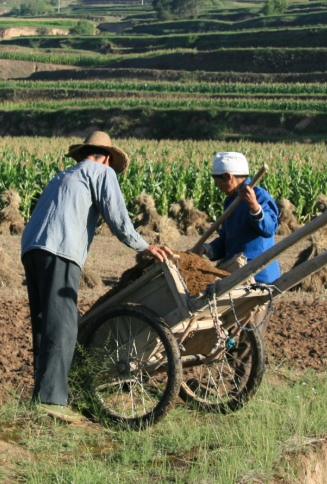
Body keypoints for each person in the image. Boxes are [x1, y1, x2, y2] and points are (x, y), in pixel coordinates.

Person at [20, 131, 174, 423]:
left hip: (32, 249)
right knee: (64, 324)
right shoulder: (102, 171)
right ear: (106, 157)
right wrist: (144, 246)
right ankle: (52, 399)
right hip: (60, 250)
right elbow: (118, 218)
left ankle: (40, 397)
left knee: (44, 322)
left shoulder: (63, 176)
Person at [201, 151, 280, 283]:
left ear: (228, 177)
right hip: (236, 272)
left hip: (258, 274)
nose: (219, 187)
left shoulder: (259, 196)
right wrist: (206, 249)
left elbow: (270, 229)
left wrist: (254, 206)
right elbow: (229, 239)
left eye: (218, 182)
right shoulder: (230, 201)